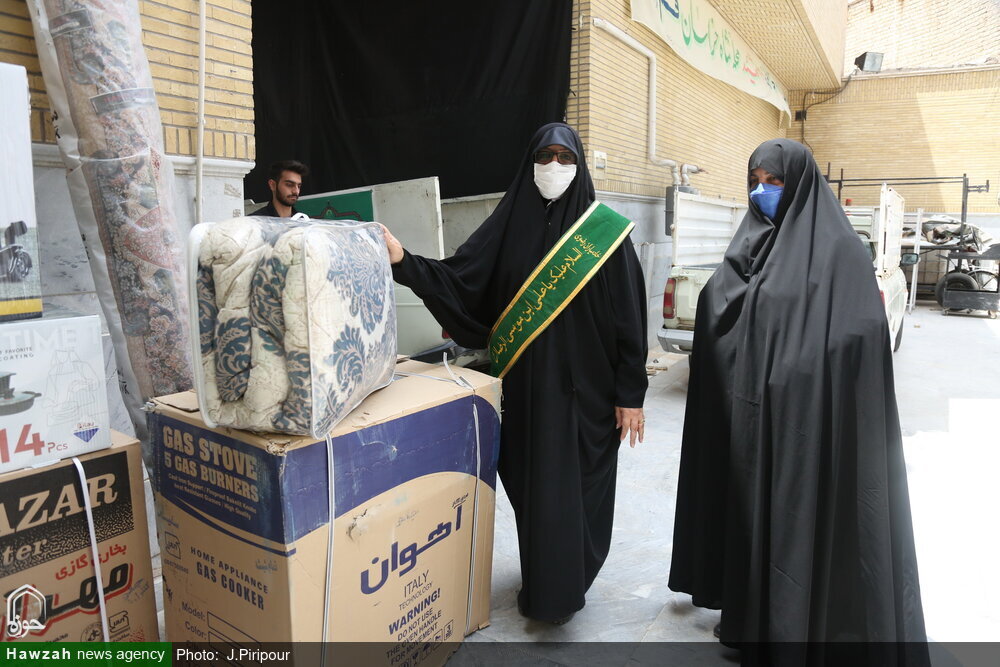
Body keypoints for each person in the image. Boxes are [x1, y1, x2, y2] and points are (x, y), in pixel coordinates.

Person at [668, 138, 929, 665]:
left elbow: (858, 332)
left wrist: (803, 364)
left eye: (775, 181)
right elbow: (724, 307)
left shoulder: (838, 252)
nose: (763, 191)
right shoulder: (750, 242)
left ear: (802, 183)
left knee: (794, 522)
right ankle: (747, 618)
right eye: (756, 181)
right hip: (751, 417)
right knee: (749, 517)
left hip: (807, 421)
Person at [382, 123, 648, 624]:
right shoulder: (508, 226)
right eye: (544, 157)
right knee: (537, 495)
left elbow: (629, 320)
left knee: (576, 495)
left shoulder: (606, 233)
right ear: (530, 163)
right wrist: (403, 262)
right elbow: (460, 280)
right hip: (525, 394)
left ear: (580, 165)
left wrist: (630, 394)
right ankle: (547, 583)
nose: (554, 167)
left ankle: (567, 584)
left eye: (564, 158)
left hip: (586, 397)